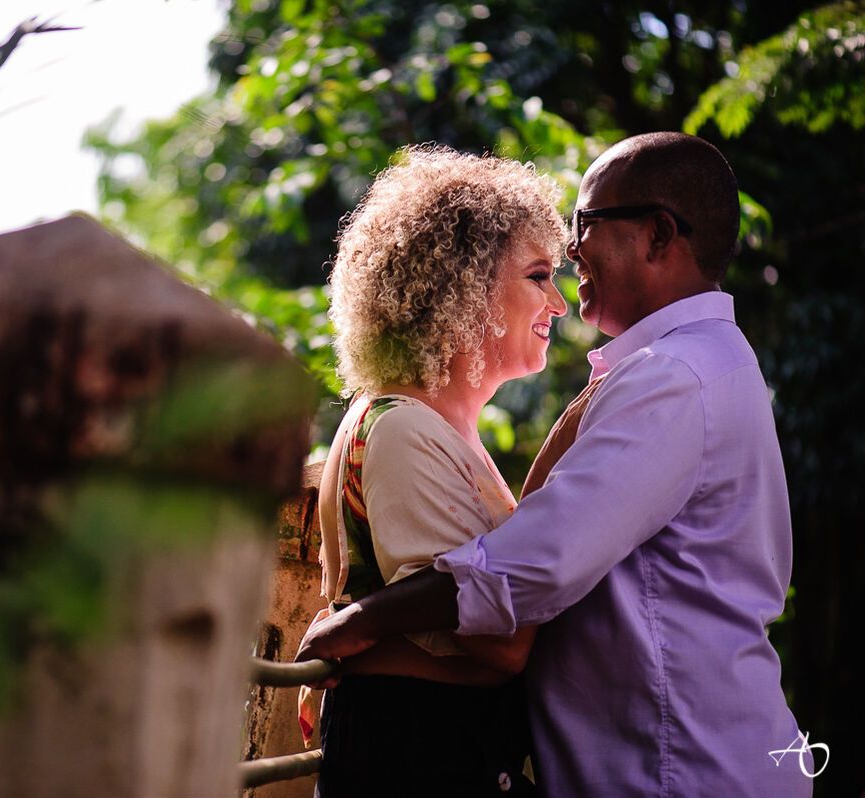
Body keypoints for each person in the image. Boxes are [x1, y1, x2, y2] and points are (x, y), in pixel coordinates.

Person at [298, 132, 815, 797]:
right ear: (465, 289)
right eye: (542, 269)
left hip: (678, 767)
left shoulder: (672, 377)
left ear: (658, 236)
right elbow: (528, 567)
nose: (572, 263)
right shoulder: (680, 369)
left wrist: (361, 623)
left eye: (584, 227)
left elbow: (523, 576)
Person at [306, 144, 567, 797]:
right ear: (465, 287)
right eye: (538, 275)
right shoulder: (403, 429)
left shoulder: (437, 429)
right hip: (420, 754)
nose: (558, 304)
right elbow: (500, 643)